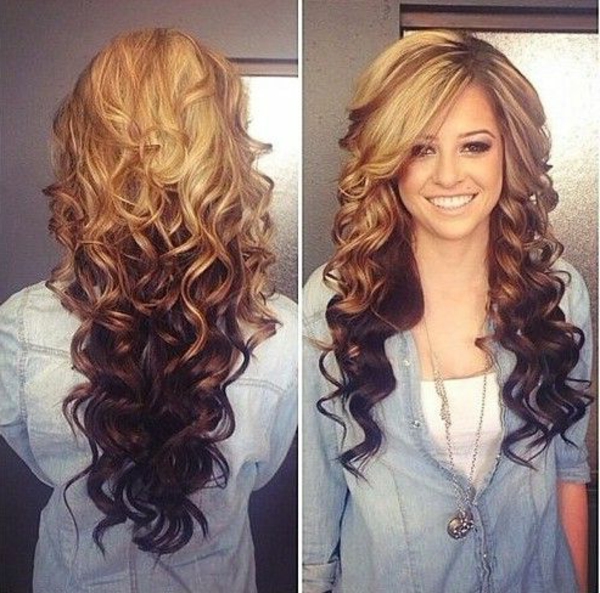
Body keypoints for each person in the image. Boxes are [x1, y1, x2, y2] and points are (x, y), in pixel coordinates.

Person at [0, 28, 297, 593]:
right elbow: (258, 475)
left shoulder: (19, 327)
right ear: (225, 152)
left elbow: (43, 465)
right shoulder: (278, 333)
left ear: (84, 152)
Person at [303, 29, 592, 593]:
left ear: (509, 150)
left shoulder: (557, 292)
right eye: (421, 148)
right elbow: (314, 534)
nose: (448, 176)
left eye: (474, 145)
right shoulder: (335, 301)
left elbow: (567, 472)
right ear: (390, 158)